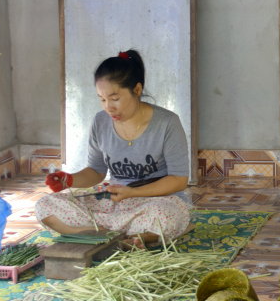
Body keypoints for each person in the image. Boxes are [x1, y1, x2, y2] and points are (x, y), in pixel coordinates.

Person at [35, 49, 191, 247]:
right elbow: (96, 171)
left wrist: (133, 193)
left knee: (166, 216)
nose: (108, 107)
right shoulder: (100, 122)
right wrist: (69, 180)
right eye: (102, 99)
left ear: (136, 90)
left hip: (156, 201)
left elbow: (178, 180)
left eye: (115, 98)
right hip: (114, 204)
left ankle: (105, 235)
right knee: (45, 206)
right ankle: (117, 237)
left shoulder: (167, 123)